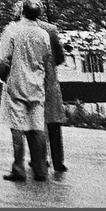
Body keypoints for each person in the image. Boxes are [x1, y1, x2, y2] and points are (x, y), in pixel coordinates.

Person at [0, 0, 52, 182]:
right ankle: (40, 169)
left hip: (17, 84)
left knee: (17, 127)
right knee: (37, 128)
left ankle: (19, 168)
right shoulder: (43, 34)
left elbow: (2, 59)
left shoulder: (12, 30)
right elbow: (46, 58)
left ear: (22, 11)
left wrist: (4, 76)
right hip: (36, 86)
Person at [38, 13, 67, 173]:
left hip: (31, 82)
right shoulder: (51, 29)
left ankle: (40, 158)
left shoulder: (20, 30)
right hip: (50, 81)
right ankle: (58, 161)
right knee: (54, 122)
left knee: (35, 122)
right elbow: (60, 57)